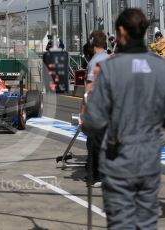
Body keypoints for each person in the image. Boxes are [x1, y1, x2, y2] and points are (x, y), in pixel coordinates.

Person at [81, 8, 165, 229]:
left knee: (121, 223)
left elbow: (93, 122)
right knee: (147, 222)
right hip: (149, 159)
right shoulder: (161, 68)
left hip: (119, 160)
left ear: (121, 32)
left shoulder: (109, 68)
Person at [82, 31, 109, 188]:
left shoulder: (94, 63)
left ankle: (96, 176)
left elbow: (89, 88)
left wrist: (83, 110)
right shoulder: (112, 58)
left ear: (92, 44)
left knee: (93, 142)